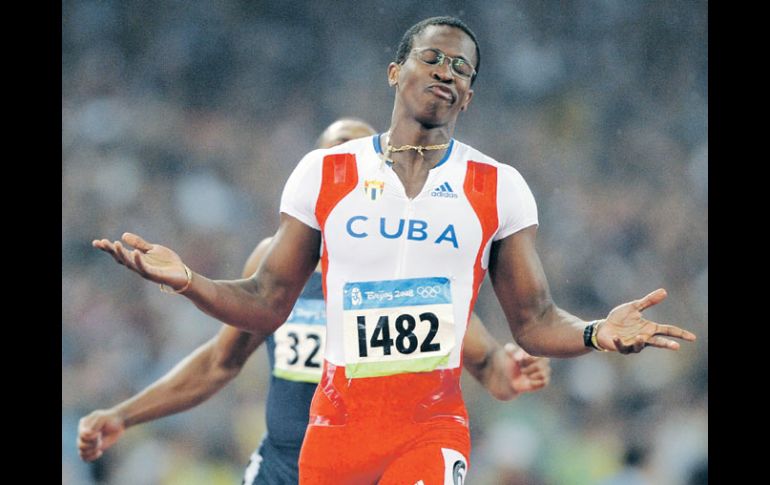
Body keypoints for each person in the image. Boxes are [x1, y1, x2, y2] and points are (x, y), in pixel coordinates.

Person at [92, 16, 696, 484]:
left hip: (430, 427)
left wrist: (595, 333)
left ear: (468, 97)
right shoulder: (323, 173)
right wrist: (189, 280)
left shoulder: (498, 186)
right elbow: (266, 300)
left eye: (461, 68)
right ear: (394, 72)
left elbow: (534, 321)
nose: (446, 71)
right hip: (332, 431)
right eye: (431, 57)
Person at [80, 118, 551, 484]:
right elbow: (219, 363)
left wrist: (510, 371)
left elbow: (490, 366)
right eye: (330, 161)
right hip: (283, 467)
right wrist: (123, 414)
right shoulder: (270, 264)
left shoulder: (413, 272)